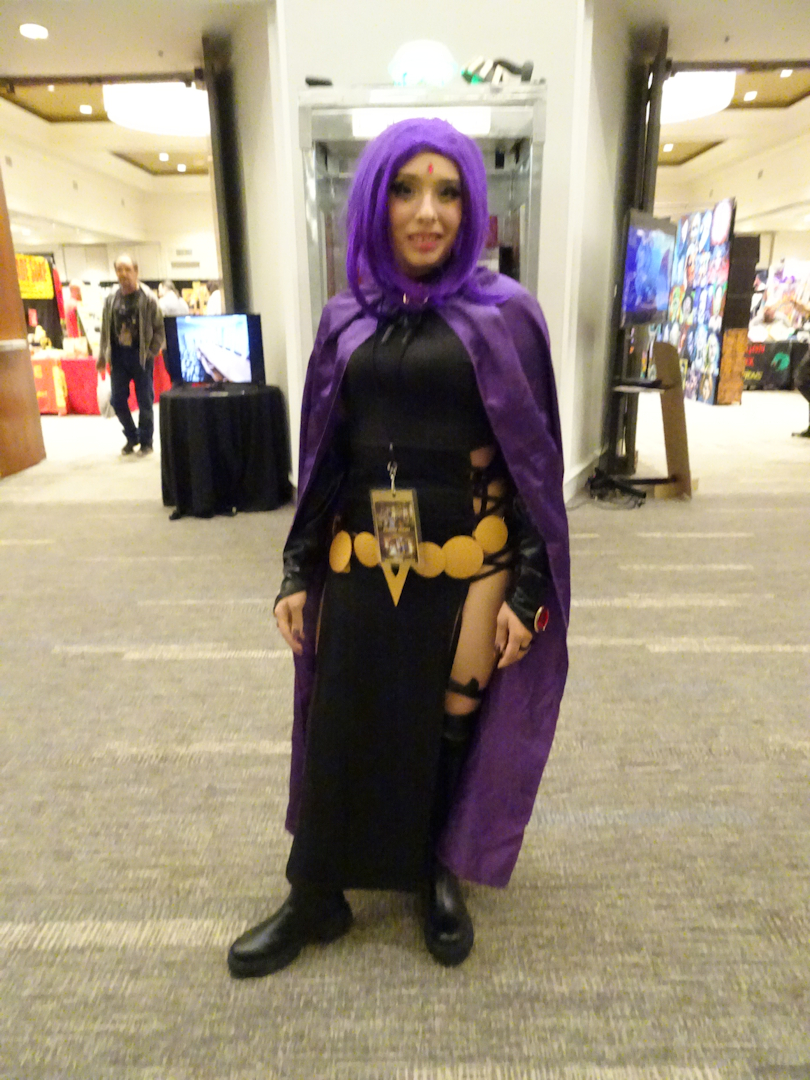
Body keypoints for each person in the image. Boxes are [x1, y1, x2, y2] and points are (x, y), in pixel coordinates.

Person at [227, 118, 570, 979]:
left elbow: (533, 465)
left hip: (473, 559)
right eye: (406, 190)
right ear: (376, 202)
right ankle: (316, 893)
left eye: (449, 192)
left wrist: (529, 590)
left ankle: (435, 872)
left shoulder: (507, 314)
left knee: (451, 719)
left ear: (473, 206)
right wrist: (295, 569)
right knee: (339, 715)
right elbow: (324, 454)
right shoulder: (346, 316)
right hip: (361, 550)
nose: (428, 212)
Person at [97, 255, 165, 456]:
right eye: (119, 270)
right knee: (117, 400)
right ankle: (131, 436)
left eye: (127, 269)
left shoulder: (147, 297)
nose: (123, 274)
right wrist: (102, 355)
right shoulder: (111, 299)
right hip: (118, 357)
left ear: (136, 271)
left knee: (145, 401)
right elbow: (105, 330)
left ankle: (146, 441)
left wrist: (151, 352)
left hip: (141, 356)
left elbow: (160, 329)